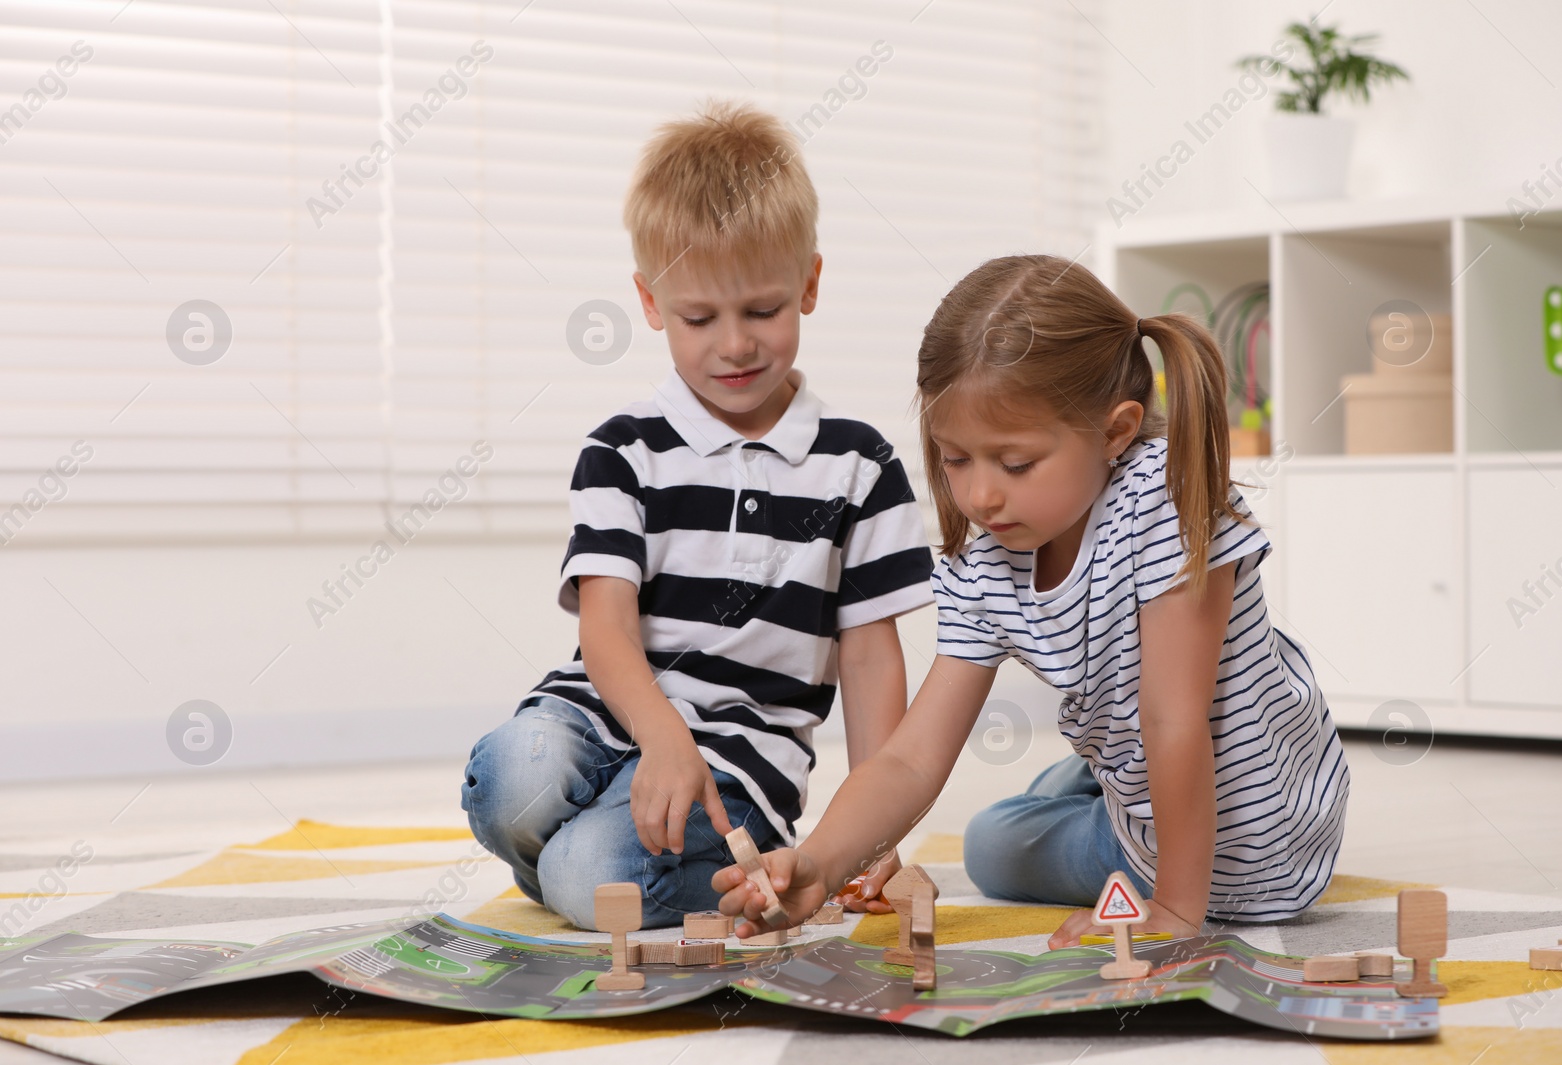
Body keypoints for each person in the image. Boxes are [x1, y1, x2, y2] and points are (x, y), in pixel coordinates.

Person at [715, 254, 1350, 945]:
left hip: (1260, 847)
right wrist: (819, 859)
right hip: (1149, 794)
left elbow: (1176, 721)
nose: (982, 494)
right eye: (956, 458)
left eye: (1015, 463)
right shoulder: (988, 558)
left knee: (1003, 837)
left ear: (1115, 431)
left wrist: (1171, 915)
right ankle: (1089, 776)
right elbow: (911, 758)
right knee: (989, 843)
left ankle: (1090, 782)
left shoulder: (1168, 499)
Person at [461, 102, 934, 929]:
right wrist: (661, 736)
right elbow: (606, 627)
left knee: (590, 874)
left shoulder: (860, 467)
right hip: (611, 712)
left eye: (762, 310)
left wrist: (872, 831)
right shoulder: (622, 450)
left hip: (738, 767)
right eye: (698, 318)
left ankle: (595, 866)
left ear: (810, 285)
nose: (735, 345)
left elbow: (868, 662)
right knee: (510, 776)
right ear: (650, 302)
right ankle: (599, 845)